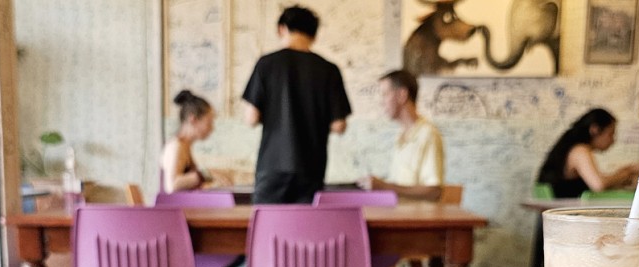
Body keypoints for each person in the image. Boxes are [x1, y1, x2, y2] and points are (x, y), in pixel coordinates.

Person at [242, 5, 351, 204]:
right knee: (306, 231)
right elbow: (339, 125)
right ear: (314, 35)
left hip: (272, 165)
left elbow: (251, 118)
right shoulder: (329, 70)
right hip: (311, 168)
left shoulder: (266, 64)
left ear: (282, 29)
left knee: (267, 229)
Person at [358, 69, 444, 201]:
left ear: (402, 95)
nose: (382, 102)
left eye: (385, 94)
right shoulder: (401, 136)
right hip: (396, 215)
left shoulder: (428, 134)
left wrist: (384, 186)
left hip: (415, 220)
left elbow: (434, 191)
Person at [537, 108, 639, 198]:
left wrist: (623, 179)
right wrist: (627, 170)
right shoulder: (580, 151)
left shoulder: (571, 148)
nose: (613, 140)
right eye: (610, 134)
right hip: (564, 218)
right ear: (594, 130)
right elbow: (599, 185)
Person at [161, 90, 215, 194]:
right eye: (209, 122)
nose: (211, 128)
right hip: (174, 210)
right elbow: (172, 185)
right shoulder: (176, 146)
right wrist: (206, 174)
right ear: (193, 119)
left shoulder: (185, 146)